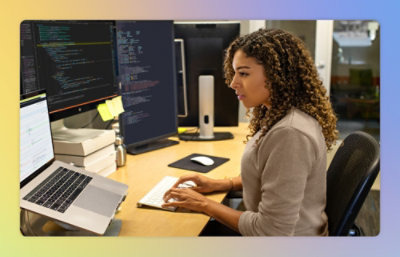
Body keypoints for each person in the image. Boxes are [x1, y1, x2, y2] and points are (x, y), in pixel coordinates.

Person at [163, 28, 338, 236]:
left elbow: (272, 232)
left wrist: (204, 204)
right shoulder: (278, 114)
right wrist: (220, 184)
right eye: (235, 72)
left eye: (244, 73)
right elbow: (274, 177)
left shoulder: (290, 134)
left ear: (276, 74)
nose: (233, 83)